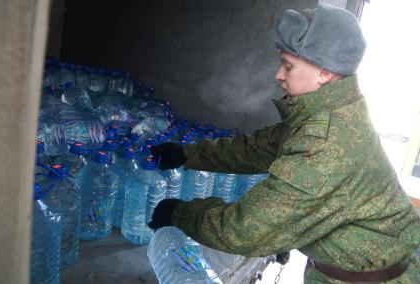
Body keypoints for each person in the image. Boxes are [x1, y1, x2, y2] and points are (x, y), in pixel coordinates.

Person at [149, 3, 420, 283]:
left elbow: (244, 230)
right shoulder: (332, 109)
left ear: (324, 73)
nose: (278, 75)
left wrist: (179, 213)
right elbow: (260, 148)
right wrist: (187, 154)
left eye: (288, 66)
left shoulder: (323, 146)